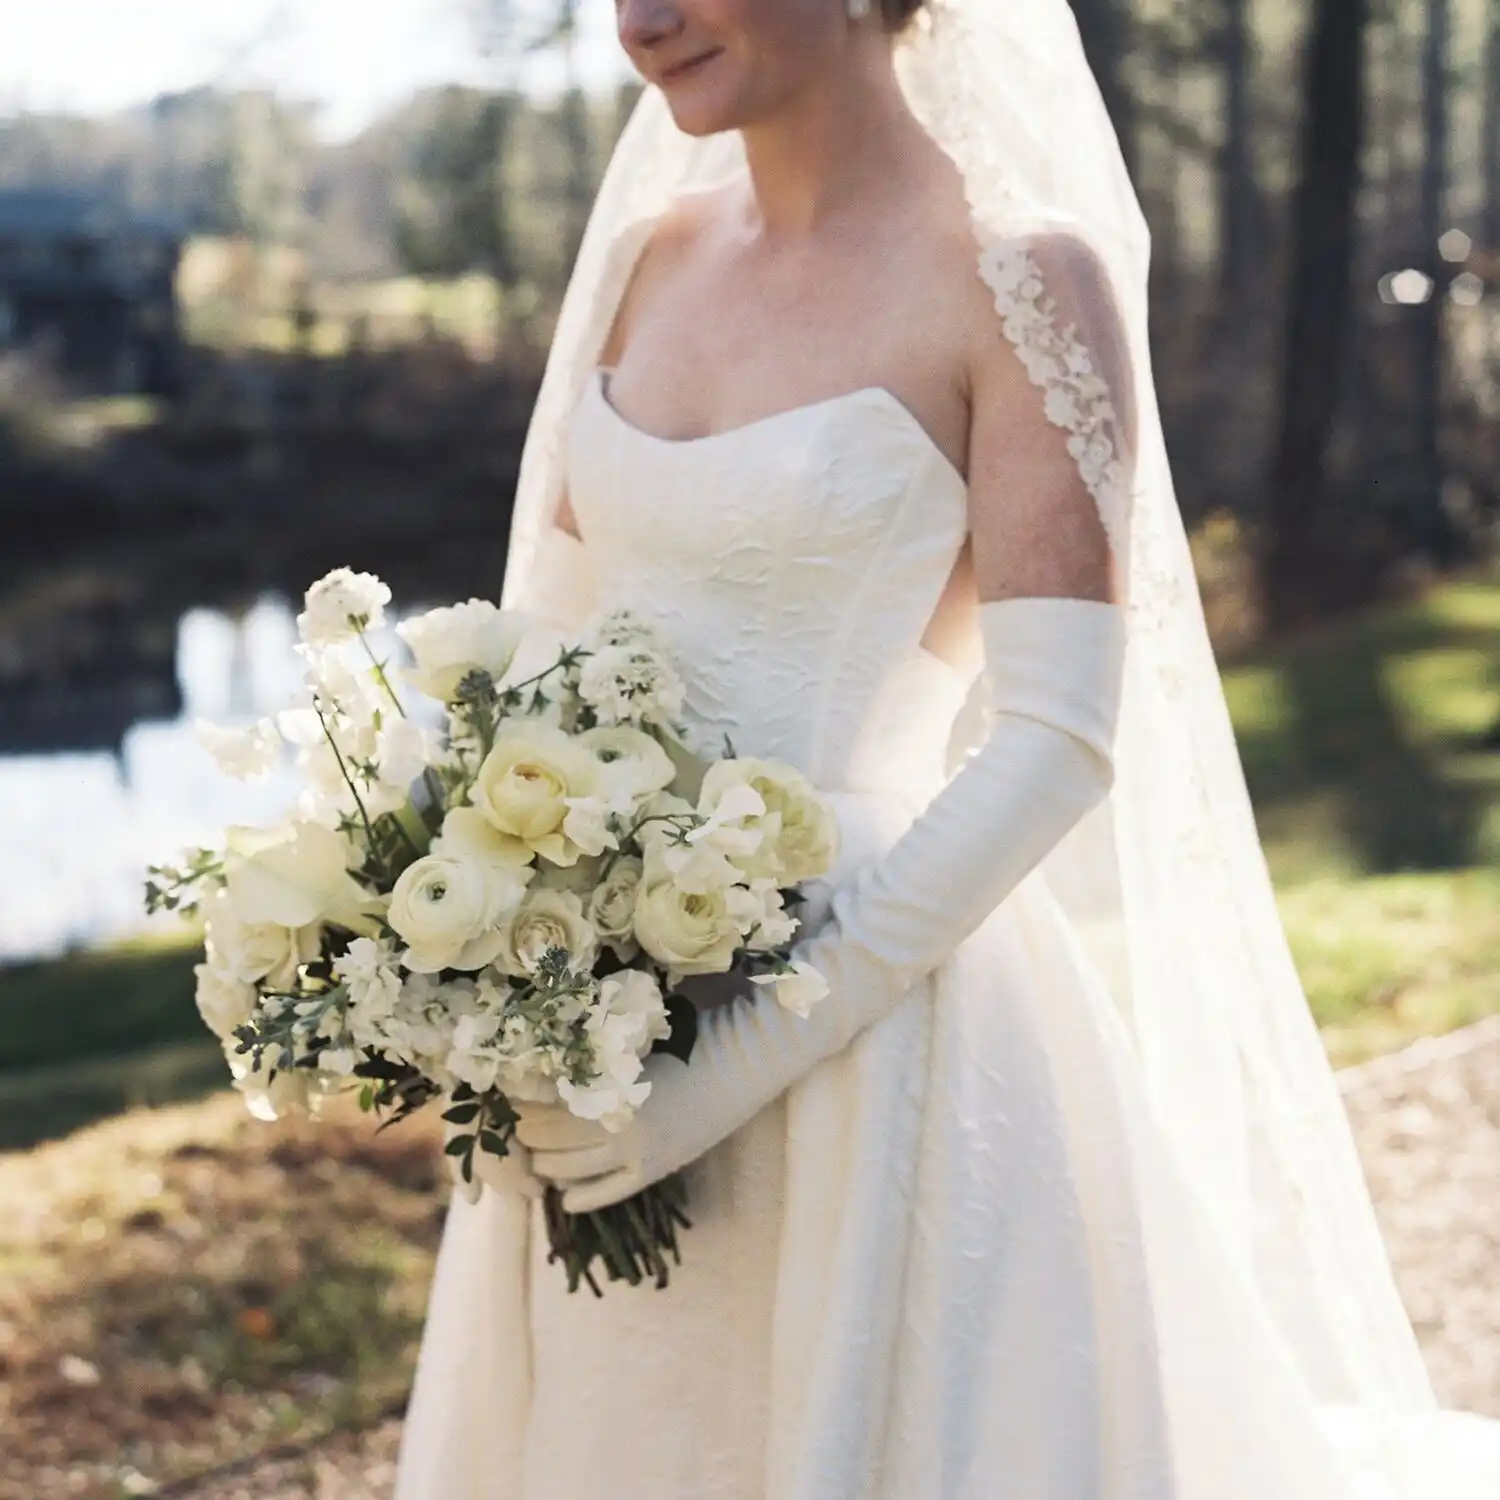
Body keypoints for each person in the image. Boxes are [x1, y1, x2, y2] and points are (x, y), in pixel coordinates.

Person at [396, 1, 1500, 1495]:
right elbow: (547, 649)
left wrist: (731, 1071)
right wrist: (456, 934)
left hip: (876, 1013)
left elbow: (1053, 737)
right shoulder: (649, 261)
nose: (641, 20)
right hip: (604, 1015)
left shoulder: (1019, 278)